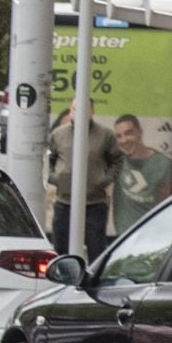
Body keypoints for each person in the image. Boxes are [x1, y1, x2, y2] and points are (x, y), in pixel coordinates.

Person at [46, 104, 122, 256]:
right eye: (74, 108)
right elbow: (49, 159)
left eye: (83, 108)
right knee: (61, 251)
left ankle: (90, 279)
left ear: (92, 111)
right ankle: (63, 279)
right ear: (70, 111)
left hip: (94, 204)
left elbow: (117, 160)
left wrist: (104, 180)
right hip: (64, 203)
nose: (78, 112)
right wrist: (56, 178)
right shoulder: (59, 134)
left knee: (96, 252)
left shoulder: (105, 135)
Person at [111, 115, 172, 228]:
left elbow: (165, 207)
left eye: (129, 133)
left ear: (140, 132)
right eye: (119, 136)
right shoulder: (117, 161)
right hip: (123, 237)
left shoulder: (164, 164)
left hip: (149, 235)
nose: (124, 140)